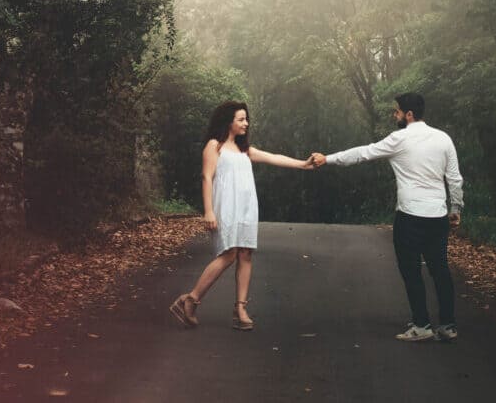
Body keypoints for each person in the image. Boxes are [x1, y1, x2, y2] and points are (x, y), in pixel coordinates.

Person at [312, 93, 464, 342]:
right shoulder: (443, 139)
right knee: (440, 270)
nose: (395, 115)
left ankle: (422, 324)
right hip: (437, 216)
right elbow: (455, 178)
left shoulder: (399, 139)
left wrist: (327, 159)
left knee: (411, 270)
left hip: (410, 216)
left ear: (409, 115)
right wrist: (455, 209)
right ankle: (448, 325)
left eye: (396, 112)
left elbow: (363, 153)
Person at [170, 101, 314, 330]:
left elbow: (274, 157)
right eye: (241, 119)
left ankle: (240, 308)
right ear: (228, 121)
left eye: (246, 119)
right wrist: (208, 211)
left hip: (247, 207)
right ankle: (191, 299)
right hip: (225, 207)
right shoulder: (214, 146)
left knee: (245, 254)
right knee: (229, 254)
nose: (246, 123)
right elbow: (207, 178)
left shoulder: (245, 150)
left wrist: (303, 165)